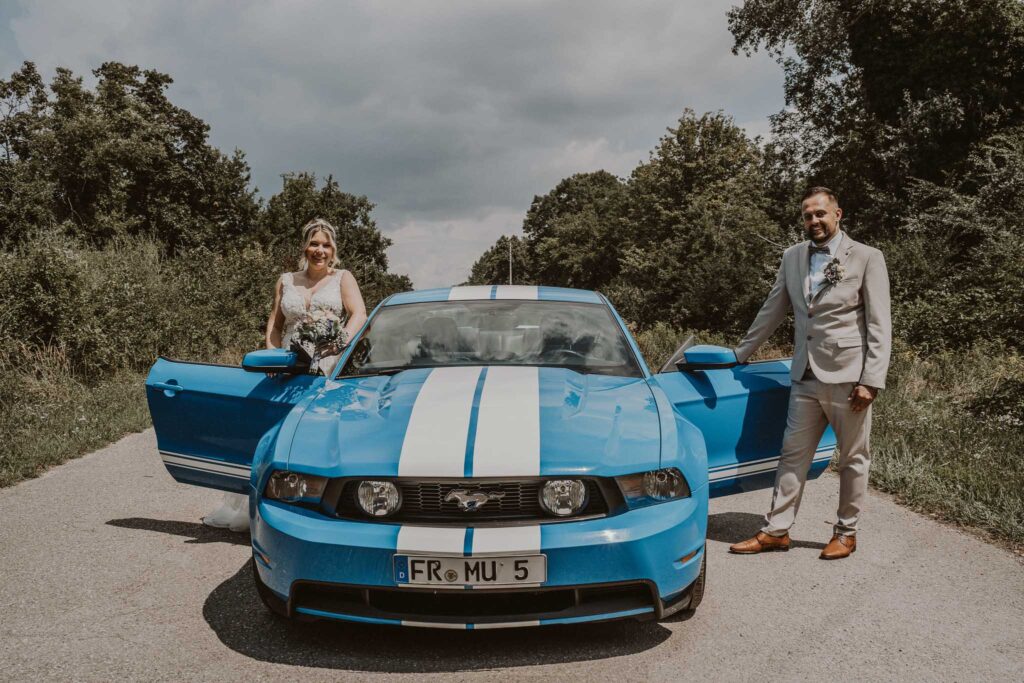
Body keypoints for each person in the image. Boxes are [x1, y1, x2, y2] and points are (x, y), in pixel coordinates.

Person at [728, 187, 891, 560]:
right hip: (803, 375)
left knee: (852, 458)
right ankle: (776, 530)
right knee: (792, 455)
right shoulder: (792, 257)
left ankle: (846, 533)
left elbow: (880, 324)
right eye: (807, 215)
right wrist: (739, 354)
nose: (813, 220)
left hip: (849, 378)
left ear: (837, 214)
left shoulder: (867, 257)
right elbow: (772, 309)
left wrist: (871, 380)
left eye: (820, 213)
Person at [202, 218, 368, 532]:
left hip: (329, 366)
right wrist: (274, 358)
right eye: (314, 243)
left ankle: (322, 507)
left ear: (333, 249)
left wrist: (339, 342)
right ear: (304, 246)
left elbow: (358, 313)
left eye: (326, 245)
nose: (320, 250)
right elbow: (275, 327)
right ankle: (270, 505)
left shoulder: (343, 278)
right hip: (288, 369)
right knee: (279, 434)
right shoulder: (286, 280)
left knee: (322, 433)